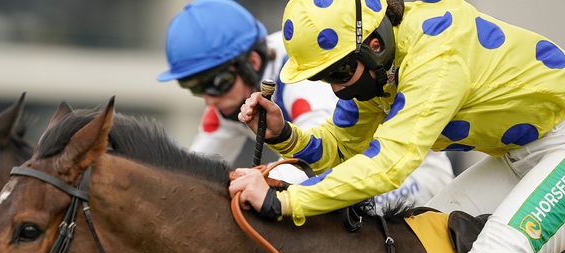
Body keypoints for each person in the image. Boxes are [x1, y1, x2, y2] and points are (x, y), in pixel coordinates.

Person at [233, 0, 565, 253]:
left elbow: (389, 165)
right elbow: (343, 148)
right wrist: (285, 135)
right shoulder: (379, 65)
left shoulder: (436, 52)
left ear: (374, 44)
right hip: (523, 152)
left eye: (340, 72)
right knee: (425, 249)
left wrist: (285, 201)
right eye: (324, 77)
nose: (337, 87)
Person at [158, 0, 453, 205]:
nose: (209, 97)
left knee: (283, 186)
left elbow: (312, 165)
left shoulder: (298, 76)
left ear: (252, 61)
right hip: (359, 178)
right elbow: (192, 172)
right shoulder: (226, 102)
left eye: (215, 82)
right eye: (194, 88)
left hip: (415, 177)